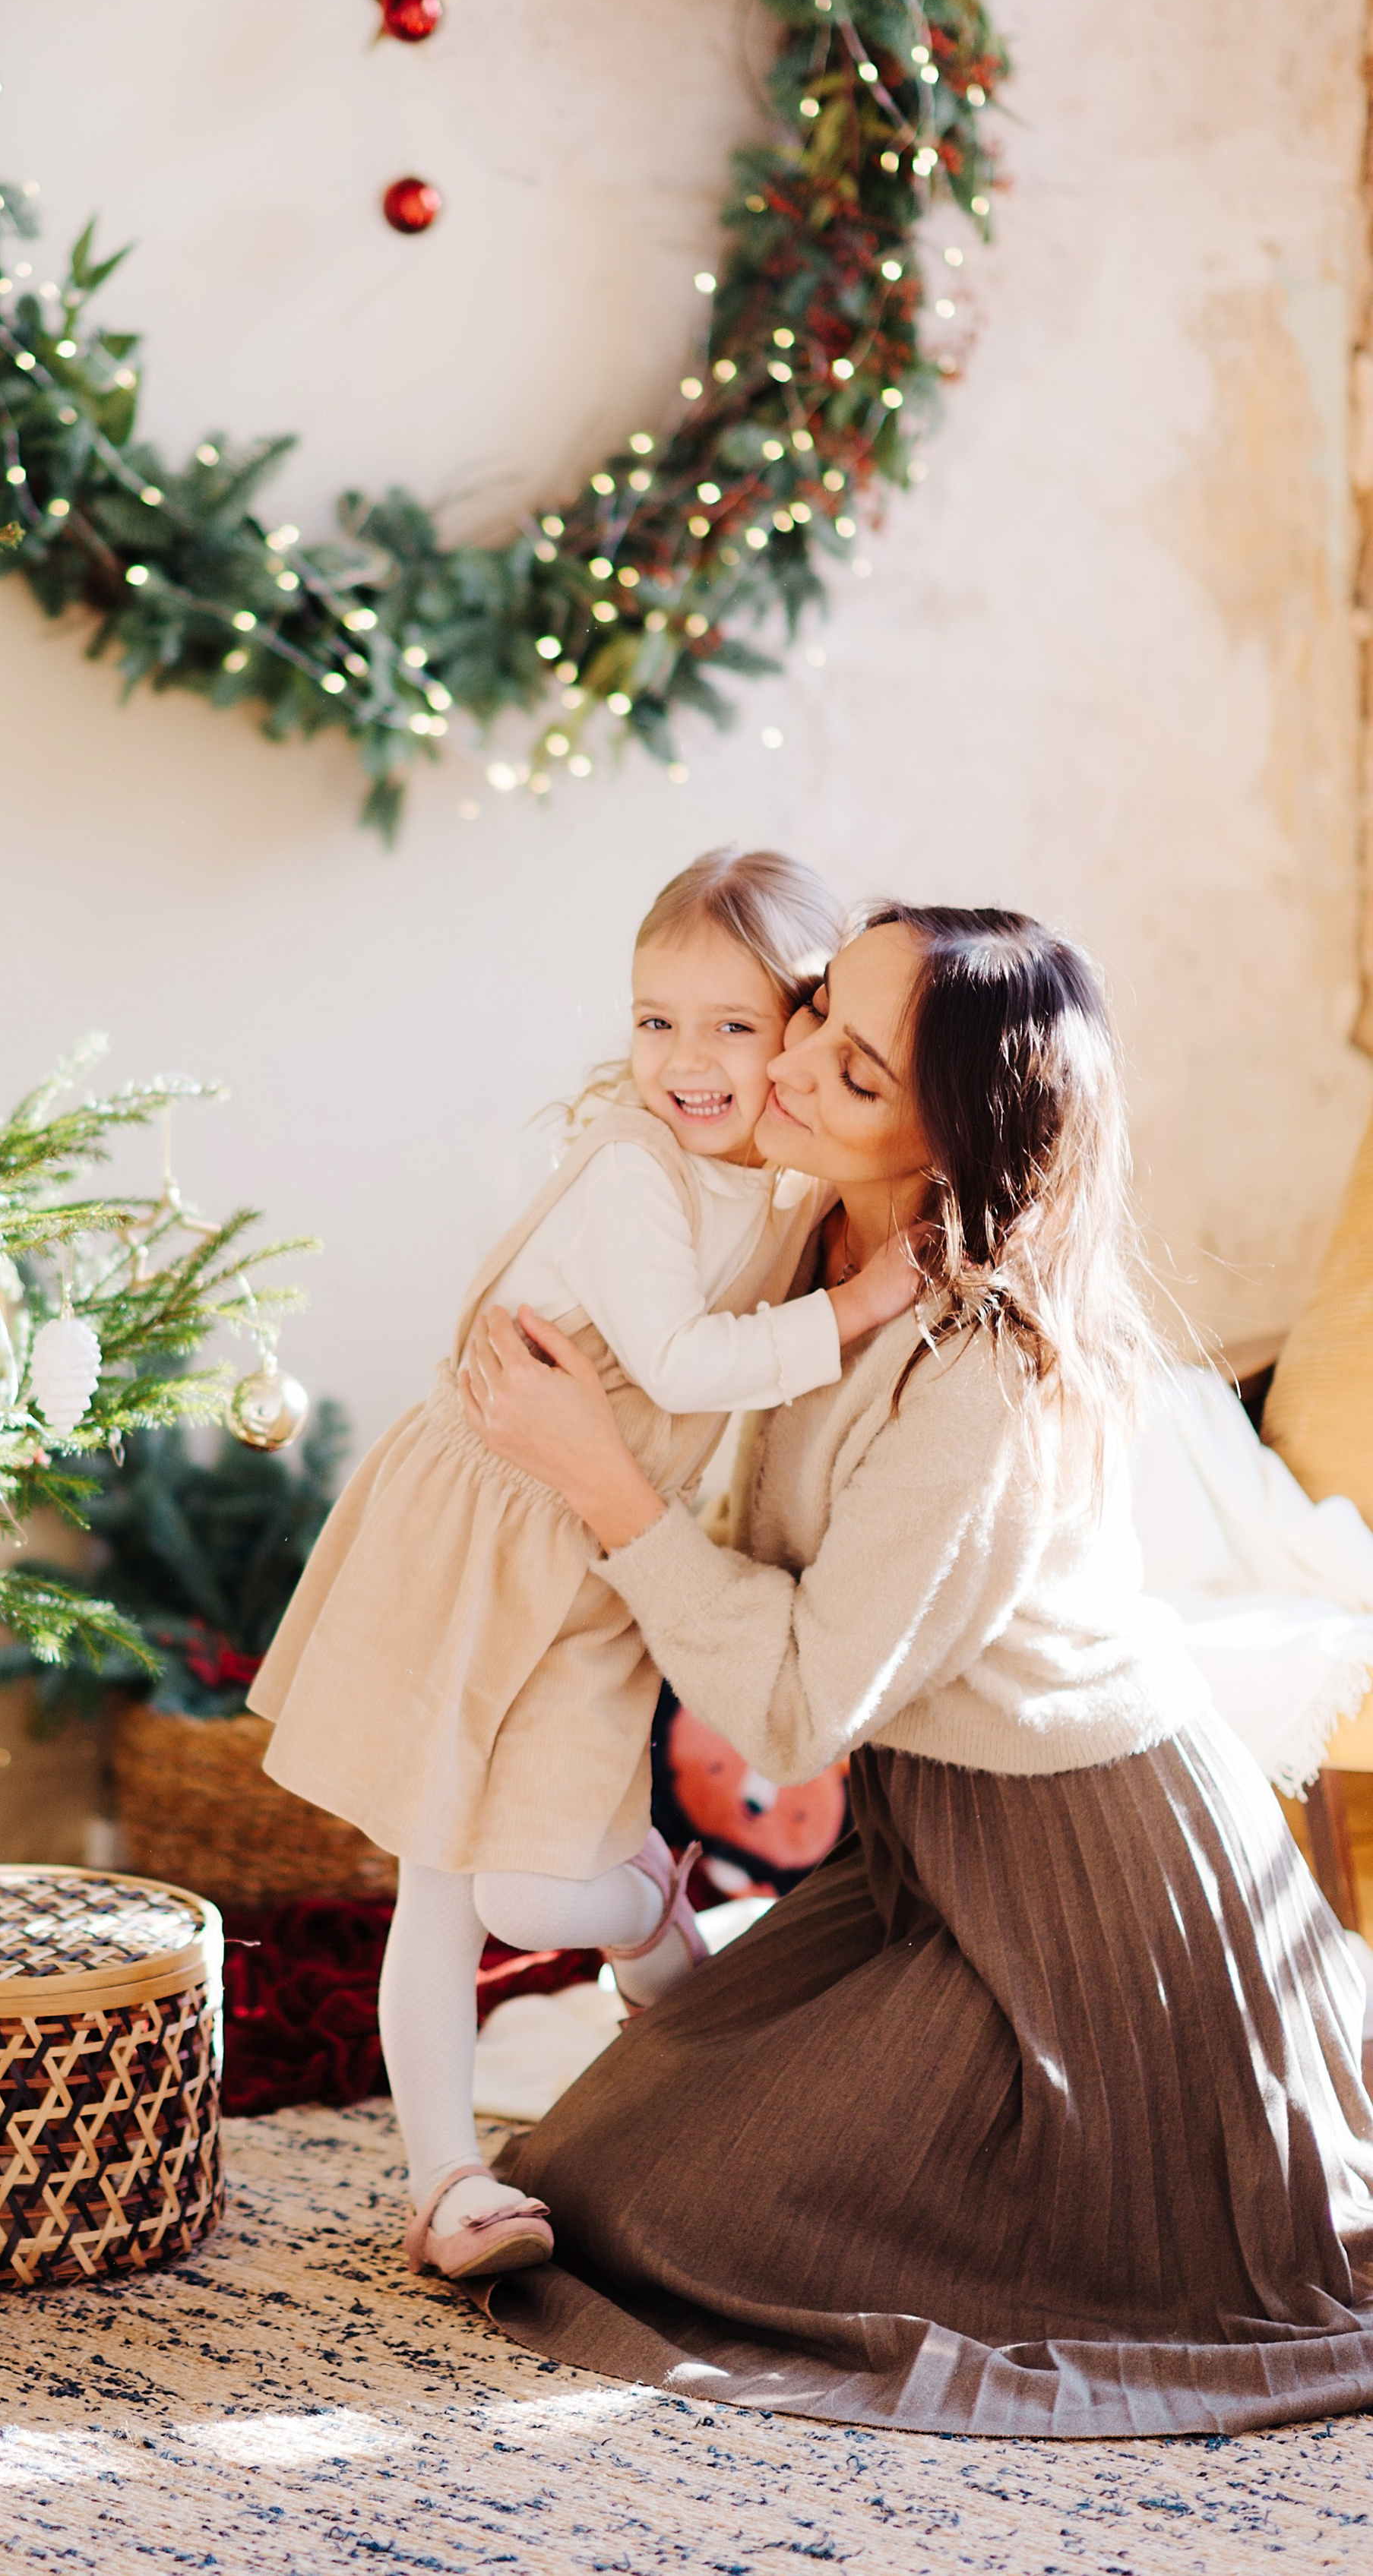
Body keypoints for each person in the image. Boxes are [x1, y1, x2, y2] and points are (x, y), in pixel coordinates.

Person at [456, 906, 1373, 2438]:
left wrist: (596, 1478)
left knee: (664, 2217)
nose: (794, 1066)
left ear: (946, 1144)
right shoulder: (816, 1236)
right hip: (923, 1846)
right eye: (814, 1012)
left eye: (855, 1069)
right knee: (577, 2169)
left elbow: (799, 1711)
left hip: (1090, 1884)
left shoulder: (986, 1373)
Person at [250, 848, 918, 2284]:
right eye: (653, 1019)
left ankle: (678, 1994)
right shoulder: (632, 1169)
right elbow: (680, 1358)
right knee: (442, 1878)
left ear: (802, 1028)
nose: (685, 1062)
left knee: (538, 1893)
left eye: (732, 1027)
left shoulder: (784, 1183)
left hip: (601, 1561)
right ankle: (445, 2182)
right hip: (483, 1532)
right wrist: (859, 1305)